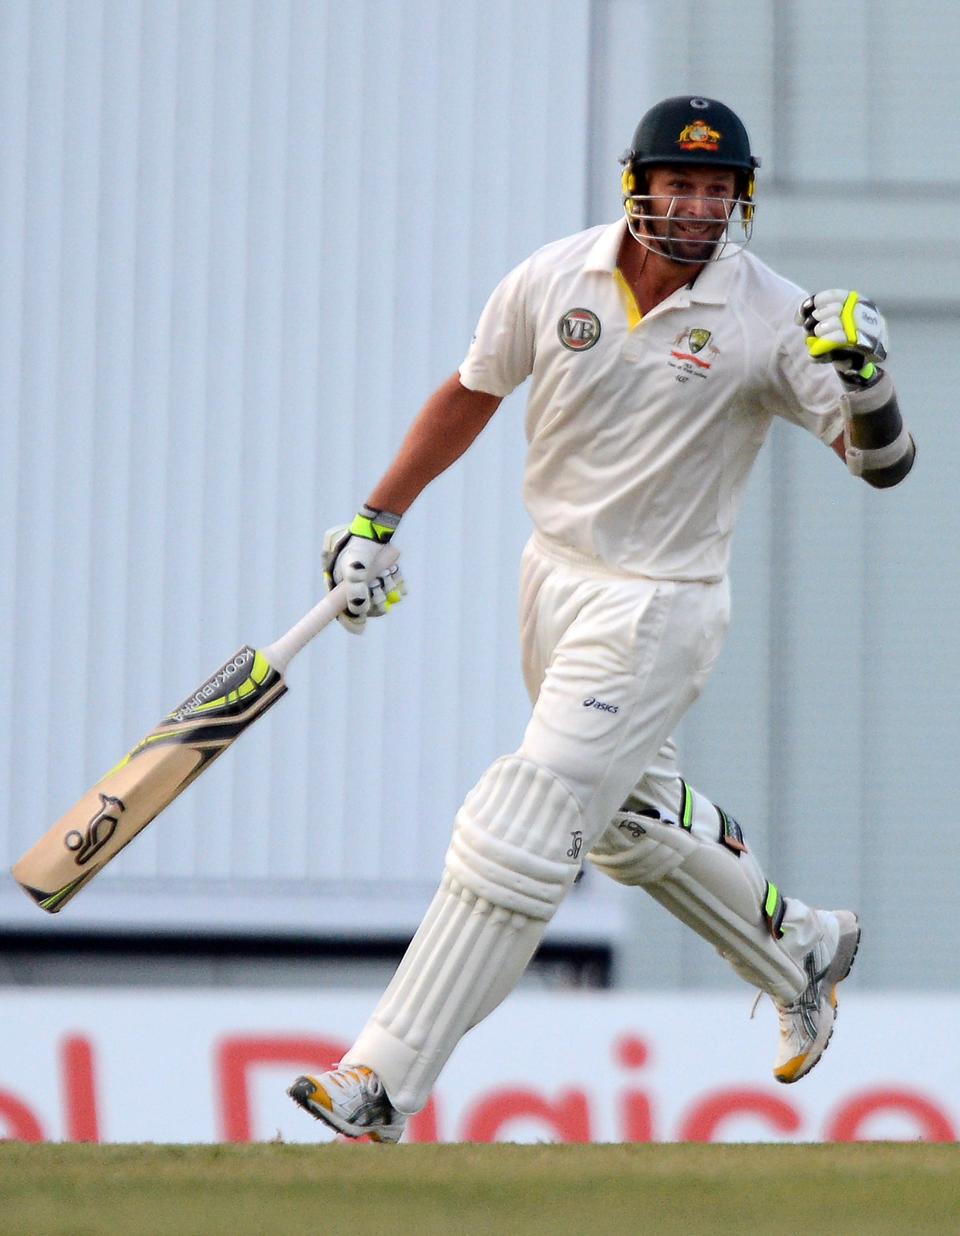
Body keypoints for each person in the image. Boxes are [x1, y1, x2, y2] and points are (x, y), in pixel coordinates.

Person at [286, 95, 915, 1143]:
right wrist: (373, 519)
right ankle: (796, 948)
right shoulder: (556, 276)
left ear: (741, 199)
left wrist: (870, 382)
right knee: (622, 826)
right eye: (683, 184)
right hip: (554, 582)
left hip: (660, 605)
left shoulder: (771, 316)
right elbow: (470, 391)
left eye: (721, 189)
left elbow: (884, 466)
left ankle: (380, 1081)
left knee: (524, 822)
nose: (701, 206)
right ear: (640, 184)